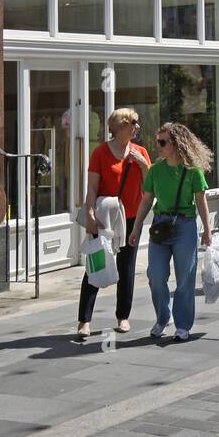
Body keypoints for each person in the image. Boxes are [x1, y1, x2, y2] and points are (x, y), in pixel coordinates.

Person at [130, 123, 212, 343]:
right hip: (160, 225)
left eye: (163, 142)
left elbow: (201, 200)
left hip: (185, 226)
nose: (158, 146)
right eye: (157, 141)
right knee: (155, 277)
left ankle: (183, 325)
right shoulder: (156, 170)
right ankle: (163, 317)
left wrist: (207, 230)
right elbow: (146, 200)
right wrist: (136, 227)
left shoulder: (193, 170)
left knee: (185, 278)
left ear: (177, 144)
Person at [77, 108, 150, 340]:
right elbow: (92, 188)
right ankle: (84, 321)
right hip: (104, 218)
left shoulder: (140, 152)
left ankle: (123, 316)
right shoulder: (100, 153)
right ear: (121, 127)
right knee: (96, 263)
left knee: (126, 268)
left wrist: (144, 165)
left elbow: (150, 188)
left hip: (131, 218)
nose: (137, 128)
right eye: (134, 124)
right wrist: (89, 213)